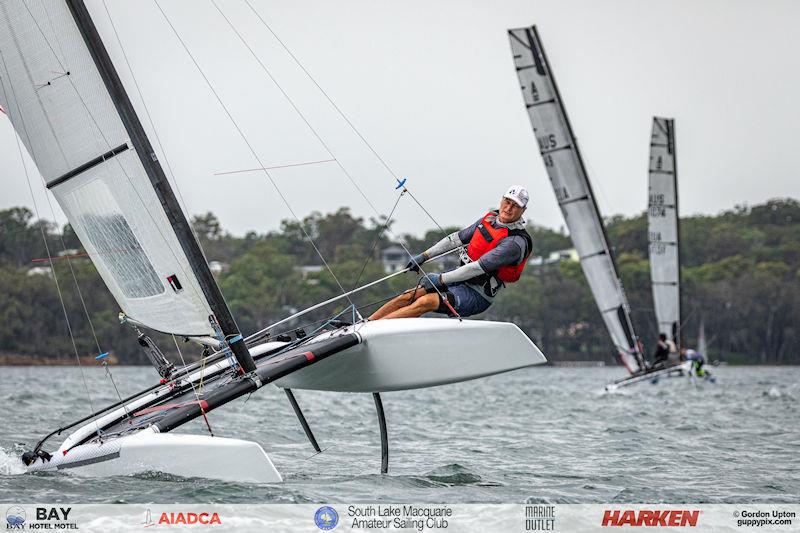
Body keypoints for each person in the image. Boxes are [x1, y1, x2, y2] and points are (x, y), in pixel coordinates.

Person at [369, 185, 533, 320]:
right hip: (459, 278)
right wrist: (424, 256)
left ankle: (375, 330)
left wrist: (440, 279)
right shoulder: (490, 219)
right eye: (507, 201)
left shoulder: (514, 243)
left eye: (515, 205)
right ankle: (367, 323)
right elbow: (456, 239)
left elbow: (477, 268)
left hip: (478, 294)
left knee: (425, 302)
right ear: (502, 199)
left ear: (523, 210)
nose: (508, 208)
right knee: (409, 295)